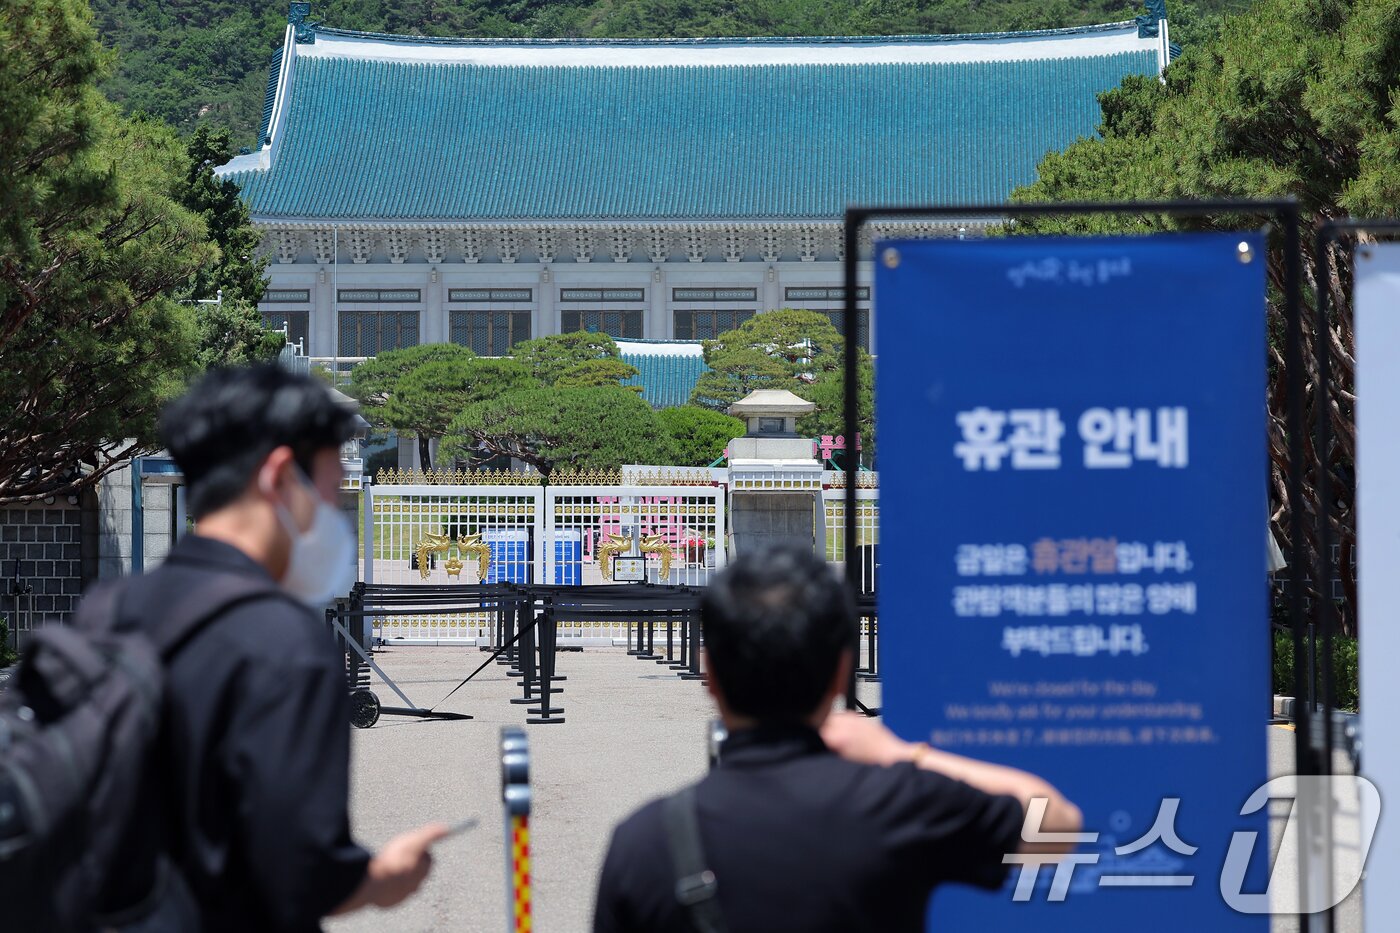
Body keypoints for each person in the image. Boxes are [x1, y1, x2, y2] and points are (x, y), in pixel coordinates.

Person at [100, 364, 446, 932]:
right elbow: (300, 875)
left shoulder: (109, 610)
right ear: (282, 476)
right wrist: (387, 877)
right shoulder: (285, 644)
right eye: (332, 488)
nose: (333, 510)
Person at [593, 545, 1083, 933]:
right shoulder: (897, 804)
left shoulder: (644, 842)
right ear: (841, 671)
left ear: (710, 675)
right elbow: (1057, 824)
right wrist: (900, 754)